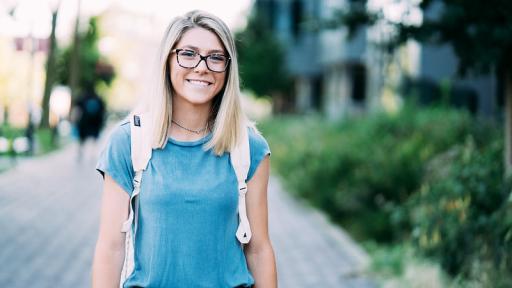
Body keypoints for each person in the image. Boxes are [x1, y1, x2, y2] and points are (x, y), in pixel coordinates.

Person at [92, 10, 277, 288]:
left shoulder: (248, 147)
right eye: (188, 54)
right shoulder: (129, 142)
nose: (202, 67)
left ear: (228, 69)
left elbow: (259, 249)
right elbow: (110, 248)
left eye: (216, 57)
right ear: (168, 60)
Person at [73, 86, 106, 161]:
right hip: (95, 123)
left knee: (82, 138)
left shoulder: (82, 98)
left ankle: (80, 151)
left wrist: (75, 121)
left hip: (84, 122)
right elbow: (103, 111)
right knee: (95, 138)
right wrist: (102, 123)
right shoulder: (98, 98)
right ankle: (93, 153)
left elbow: (77, 110)